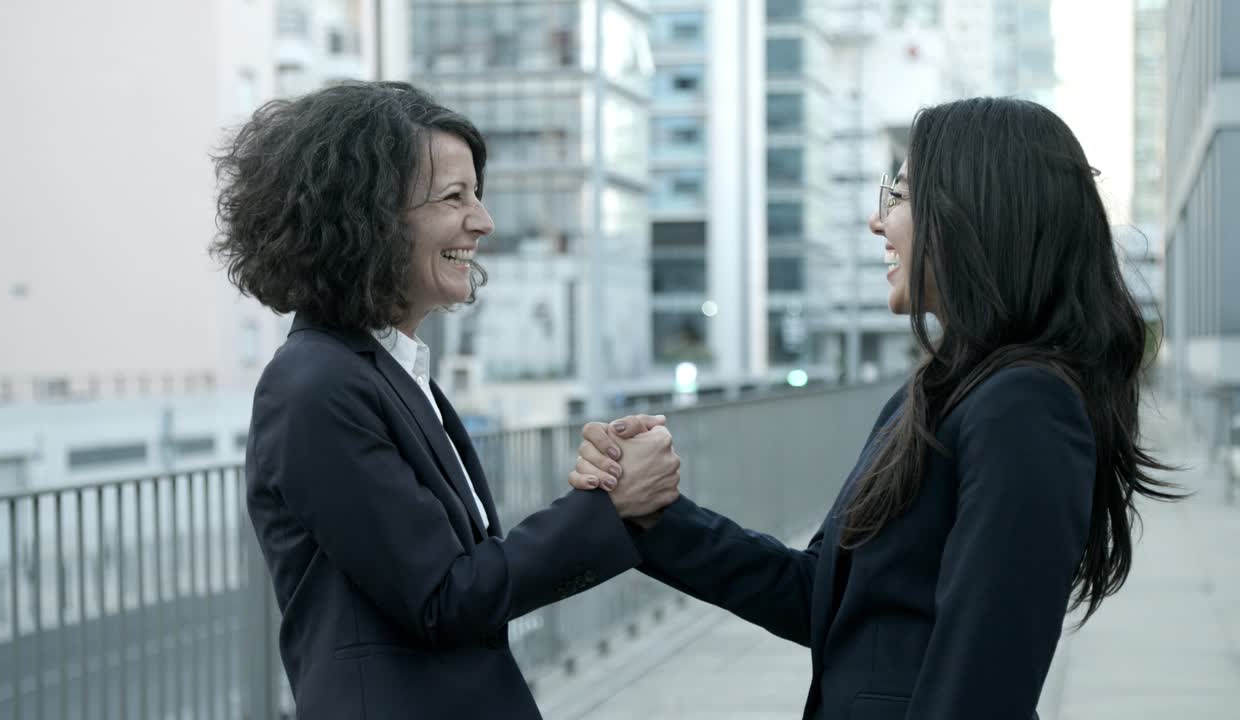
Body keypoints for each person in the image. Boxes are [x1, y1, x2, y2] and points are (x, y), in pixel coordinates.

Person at [570, 97, 1179, 719]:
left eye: (900, 195)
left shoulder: (1025, 406)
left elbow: (981, 687)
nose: (876, 221)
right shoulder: (940, 392)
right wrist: (654, 516)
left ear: (973, 212)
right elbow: (820, 595)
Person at [211, 81, 681, 718]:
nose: (483, 221)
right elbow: (444, 596)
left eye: (477, 196)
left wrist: (606, 495)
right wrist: (608, 508)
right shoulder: (314, 387)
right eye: (454, 198)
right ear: (364, 217)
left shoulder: (391, 372)